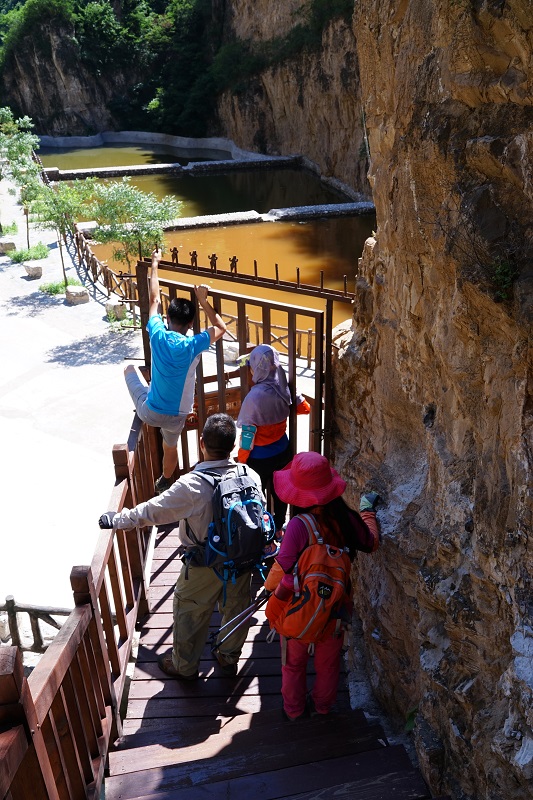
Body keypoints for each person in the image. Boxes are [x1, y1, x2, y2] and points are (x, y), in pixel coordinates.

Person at [98, 413, 264, 680]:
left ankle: (185, 666)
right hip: (242, 560)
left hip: (204, 563)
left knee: (189, 612)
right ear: (233, 445)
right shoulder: (250, 475)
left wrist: (117, 520)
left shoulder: (192, 486)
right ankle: (228, 656)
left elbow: (153, 511)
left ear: (202, 443)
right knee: (236, 608)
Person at [267, 451, 380, 721]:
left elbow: (282, 569)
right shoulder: (346, 518)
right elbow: (371, 542)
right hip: (335, 609)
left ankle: (293, 711)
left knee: (293, 665)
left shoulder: (298, 526)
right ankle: (323, 708)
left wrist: (271, 590)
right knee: (328, 664)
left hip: (299, 609)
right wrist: (367, 512)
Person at [124, 248, 226, 494]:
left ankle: (146, 392)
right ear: (190, 324)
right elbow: (220, 327)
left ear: (167, 317)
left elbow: (154, 300)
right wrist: (202, 299)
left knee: (129, 369)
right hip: (178, 414)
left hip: (149, 411)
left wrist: (156, 263)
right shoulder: (193, 345)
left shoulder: (157, 334)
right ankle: (165, 480)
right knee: (171, 447)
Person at [236, 344, 310, 546]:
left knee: (256, 493)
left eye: (251, 366)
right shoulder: (283, 386)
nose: (250, 370)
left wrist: (242, 456)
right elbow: (305, 408)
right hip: (282, 451)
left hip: (258, 458)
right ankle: (278, 527)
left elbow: (248, 433)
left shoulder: (254, 397)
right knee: (280, 492)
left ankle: (260, 530)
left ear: (258, 369)